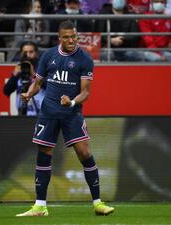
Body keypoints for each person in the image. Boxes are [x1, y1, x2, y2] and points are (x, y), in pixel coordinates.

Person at [15, 20, 114, 216]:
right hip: (49, 112)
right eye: (67, 37)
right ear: (59, 38)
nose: (71, 40)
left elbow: (85, 92)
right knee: (44, 154)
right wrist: (28, 93)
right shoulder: (48, 56)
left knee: (84, 153)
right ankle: (40, 206)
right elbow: (38, 83)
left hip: (71, 113)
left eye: (74, 36)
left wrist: (71, 103)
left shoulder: (85, 59)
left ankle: (98, 203)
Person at [3, 41, 45, 115]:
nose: (28, 55)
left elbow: (47, 86)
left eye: (31, 52)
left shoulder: (43, 69)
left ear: (36, 53)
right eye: (25, 52)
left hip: (40, 114)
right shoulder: (20, 70)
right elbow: (6, 91)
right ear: (20, 54)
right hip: (22, 114)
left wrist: (33, 74)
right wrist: (14, 75)